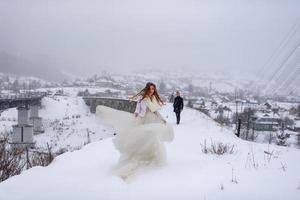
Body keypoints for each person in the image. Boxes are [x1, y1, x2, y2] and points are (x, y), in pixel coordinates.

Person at [96, 82, 174, 180]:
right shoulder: (142, 99)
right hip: (143, 119)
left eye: (153, 89)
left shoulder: (152, 99)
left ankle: (151, 155)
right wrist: (136, 113)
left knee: (153, 137)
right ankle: (142, 154)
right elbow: (138, 109)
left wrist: (162, 120)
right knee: (143, 137)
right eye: (150, 89)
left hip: (152, 119)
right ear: (147, 89)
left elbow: (155, 111)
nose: (151, 91)